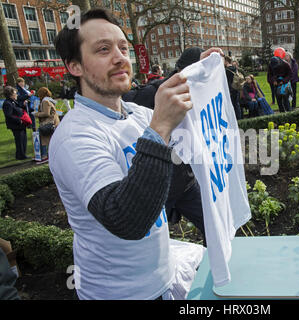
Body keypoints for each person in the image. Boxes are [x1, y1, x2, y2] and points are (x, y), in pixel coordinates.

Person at [52, 8, 222, 300]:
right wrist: (160, 129)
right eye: (103, 49)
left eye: (122, 47)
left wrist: (201, 75)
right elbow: (126, 220)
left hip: (164, 279)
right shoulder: (74, 136)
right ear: (75, 66)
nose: (120, 57)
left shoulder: (138, 115)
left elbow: (195, 119)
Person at [122, 46, 207, 246]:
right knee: (150, 241)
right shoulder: (155, 93)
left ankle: (214, 267)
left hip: (184, 181)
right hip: (159, 187)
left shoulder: (198, 93)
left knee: (214, 225)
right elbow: (125, 102)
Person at [2, 86, 29, 160]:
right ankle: (20, 155)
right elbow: (8, 115)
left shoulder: (13, 101)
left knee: (23, 139)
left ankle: (22, 154)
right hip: (16, 125)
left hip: (21, 124)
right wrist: (18, 120)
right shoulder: (7, 103)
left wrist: (23, 105)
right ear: (10, 95)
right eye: (15, 93)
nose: (16, 95)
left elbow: (18, 109)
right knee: (19, 140)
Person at [33, 87, 60, 160]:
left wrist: (36, 114)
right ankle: (48, 154)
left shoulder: (45, 101)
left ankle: (44, 155)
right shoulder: (49, 100)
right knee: (50, 139)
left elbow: (46, 113)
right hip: (53, 122)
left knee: (41, 138)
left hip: (48, 123)